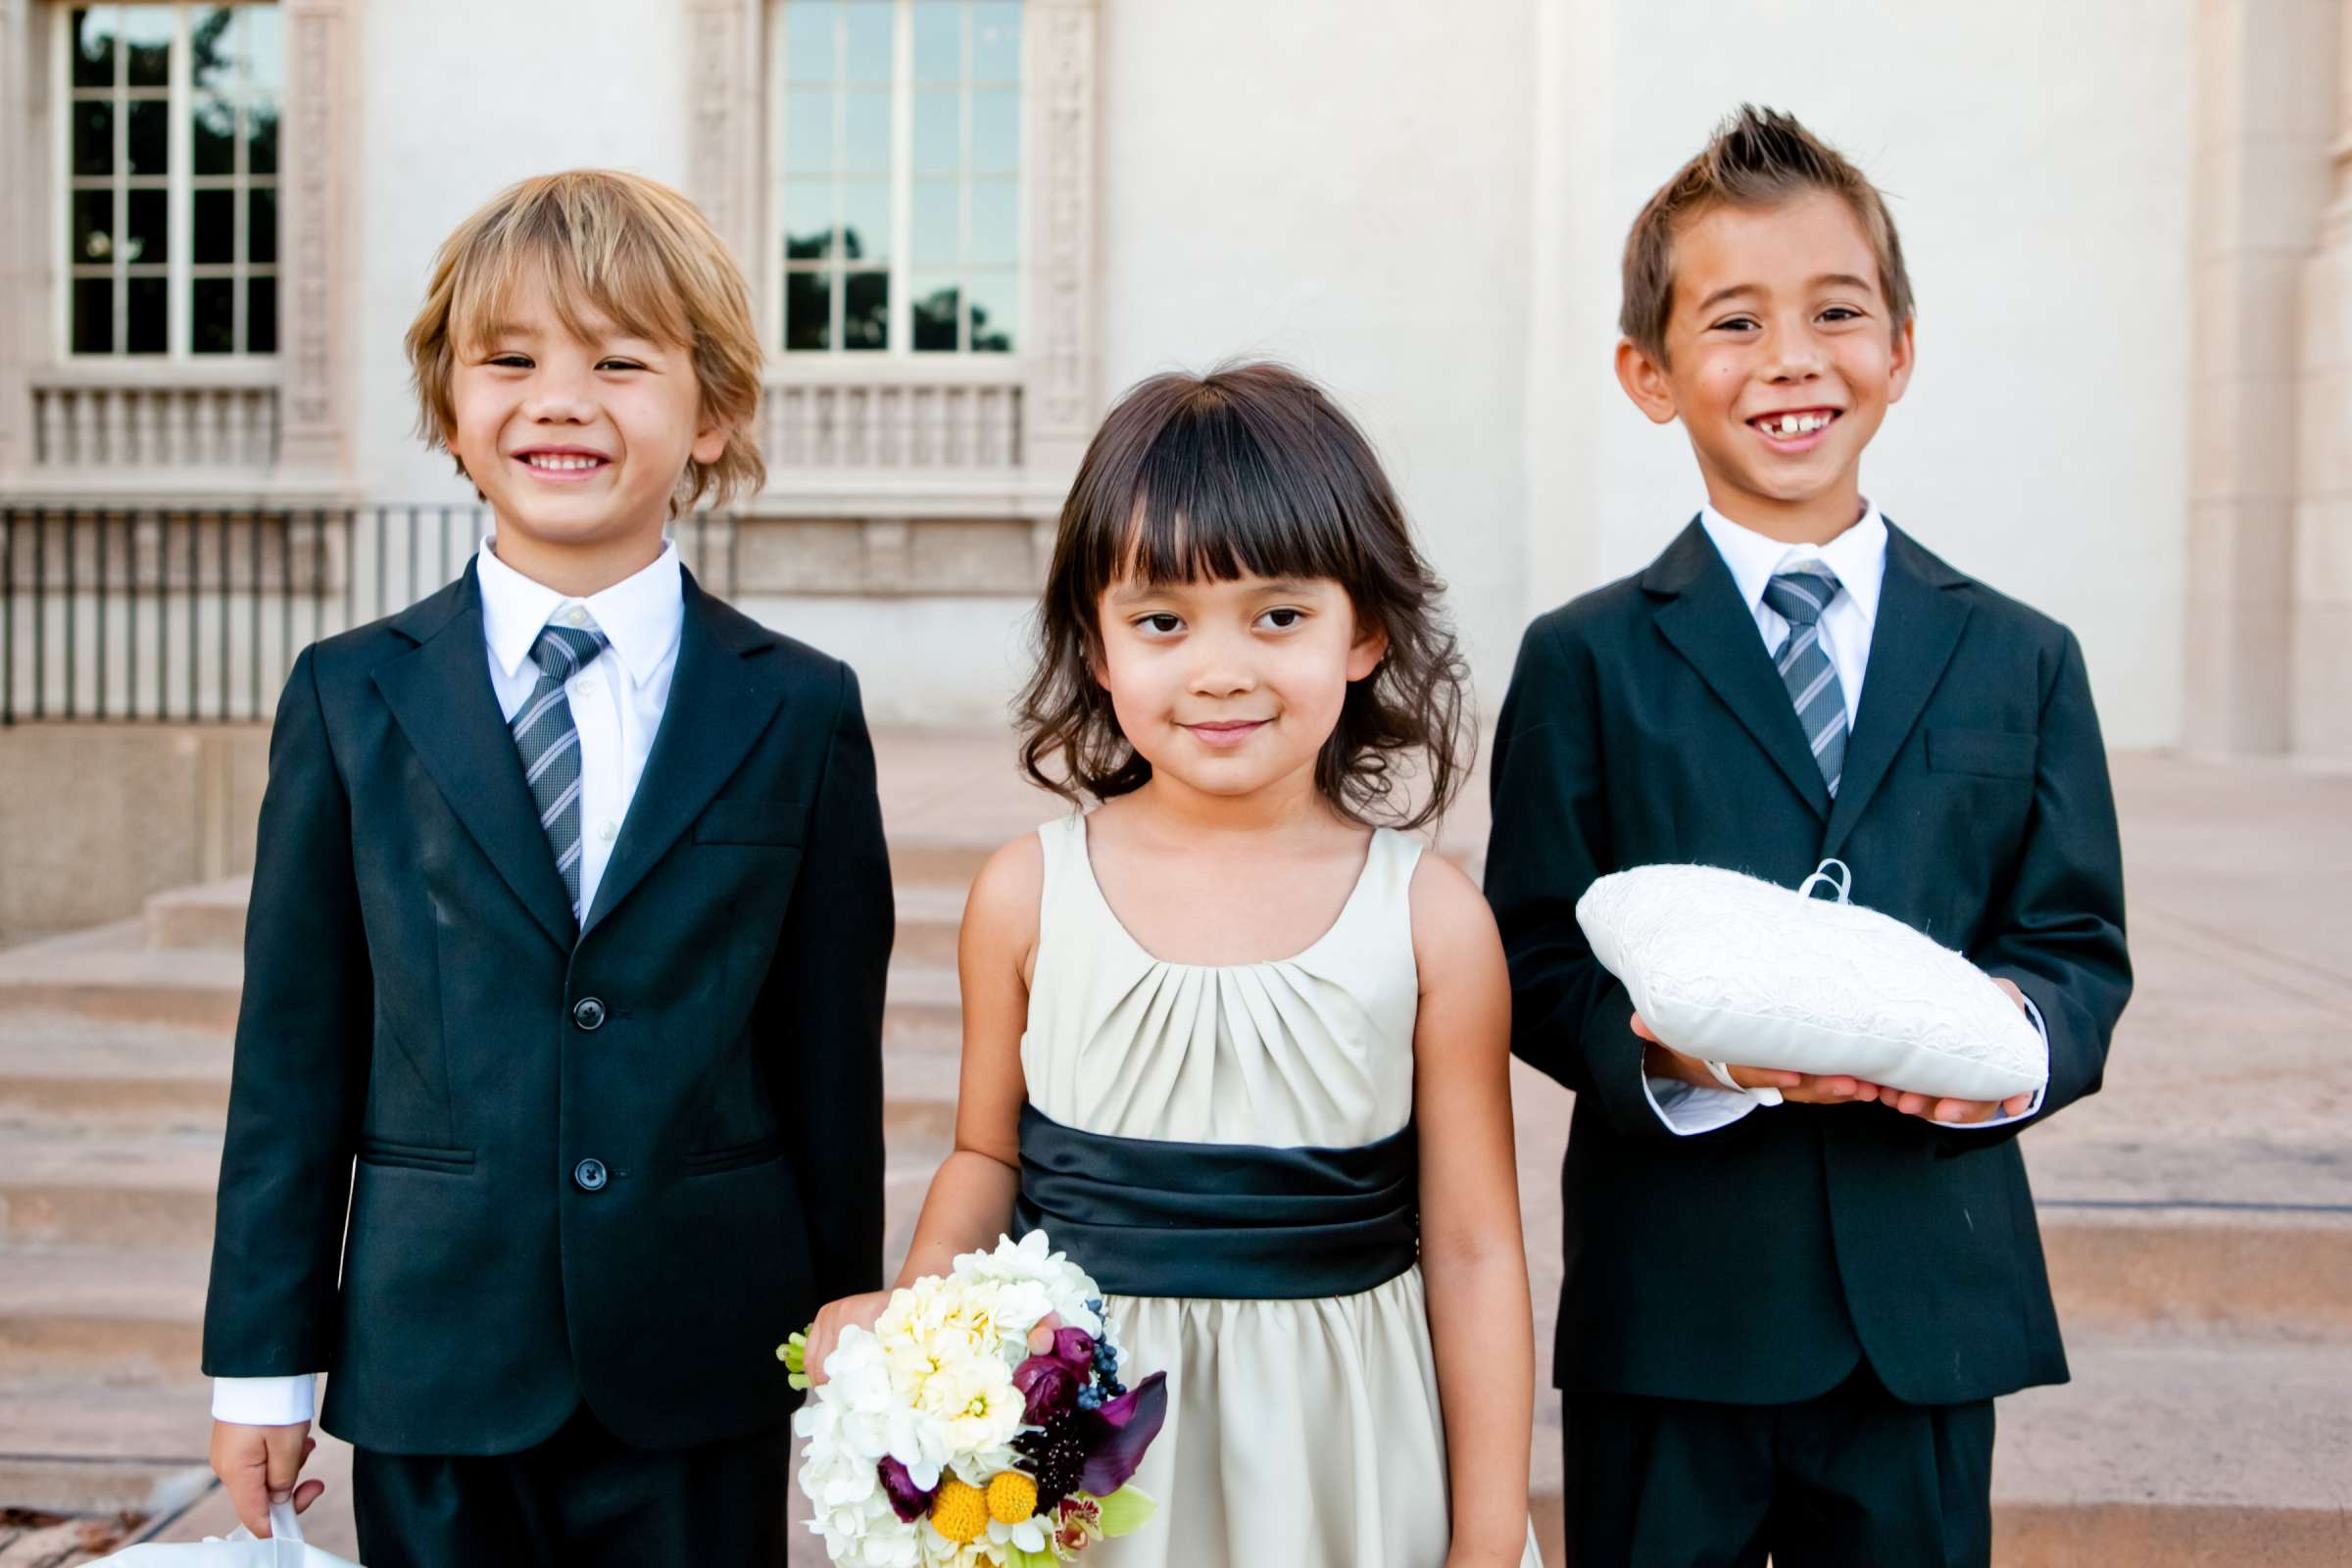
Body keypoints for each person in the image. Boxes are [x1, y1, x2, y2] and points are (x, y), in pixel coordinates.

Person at [200, 169, 894, 1567]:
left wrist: (844, 1334)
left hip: (703, 1363)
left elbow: (828, 1063)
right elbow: (292, 1055)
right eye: (509, 360)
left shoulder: (799, 709)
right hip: (433, 1361)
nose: (560, 400)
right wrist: (263, 1364)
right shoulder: (352, 698)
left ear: (711, 415)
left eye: (619, 362)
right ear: (453, 412)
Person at [1484, 105, 2133, 1566]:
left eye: (1837, 312)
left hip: (1929, 1304)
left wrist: (2003, 1052)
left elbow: (2075, 945)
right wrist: (1674, 1052)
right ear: (1649, 376)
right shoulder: (1585, 659)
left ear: (1900, 348)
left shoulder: (2022, 658)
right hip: (1679, 1308)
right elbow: (1530, 949)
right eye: (1733, 323)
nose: (1792, 359)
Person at [804, 362, 1543, 1566]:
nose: (1219, 668)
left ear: (1366, 633)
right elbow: (989, 1154)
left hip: (1343, 1451)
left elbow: (1470, 1247)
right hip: (1088, 1462)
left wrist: (1480, 1540)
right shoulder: (1027, 893)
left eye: (1278, 616)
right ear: (1094, 648)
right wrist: (920, 1324)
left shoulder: (1432, 920)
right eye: (1161, 620)